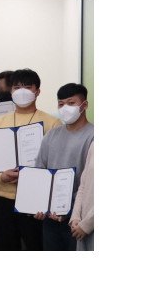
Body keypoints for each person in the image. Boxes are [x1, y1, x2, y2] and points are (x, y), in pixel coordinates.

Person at [0, 68, 61, 251]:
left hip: (35, 200)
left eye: (27, 87)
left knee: (36, 247)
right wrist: (1, 176)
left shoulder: (52, 123)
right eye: (17, 87)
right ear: (11, 91)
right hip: (3, 198)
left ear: (37, 91)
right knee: (5, 248)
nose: (21, 91)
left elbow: (56, 164)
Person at [32, 83, 94, 250]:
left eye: (71, 103)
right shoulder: (51, 135)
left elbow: (88, 185)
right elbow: (39, 172)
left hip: (79, 219)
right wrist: (39, 204)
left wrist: (70, 210)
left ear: (84, 105)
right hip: (50, 216)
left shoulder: (93, 136)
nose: (65, 108)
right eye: (61, 104)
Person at [70, 142, 94, 251]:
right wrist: (75, 217)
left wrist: (86, 225)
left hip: (88, 227)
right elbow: (83, 185)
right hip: (80, 228)